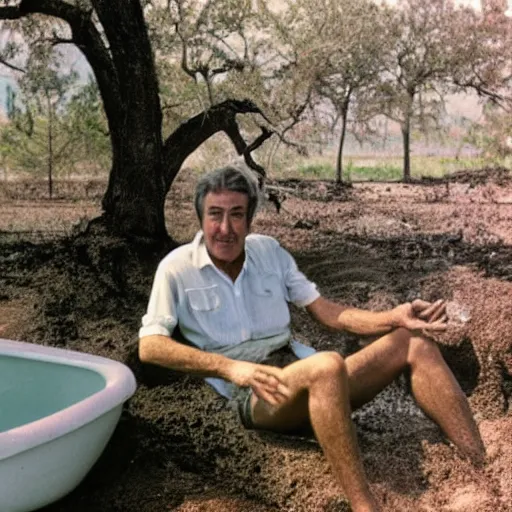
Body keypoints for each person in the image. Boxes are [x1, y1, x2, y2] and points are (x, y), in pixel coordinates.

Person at [138, 165, 485, 512]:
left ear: (250, 219)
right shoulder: (176, 269)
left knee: (413, 339)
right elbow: (150, 346)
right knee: (327, 365)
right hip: (254, 395)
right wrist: (230, 368)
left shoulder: (269, 252)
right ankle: (365, 507)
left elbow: (328, 311)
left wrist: (393, 317)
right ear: (201, 217)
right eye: (215, 215)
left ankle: (480, 460)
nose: (225, 229)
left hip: (311, 377)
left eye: (237, 215)